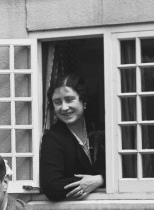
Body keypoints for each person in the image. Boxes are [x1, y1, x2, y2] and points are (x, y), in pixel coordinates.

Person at [40, 73, 106, 201]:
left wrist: (100, 179)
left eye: (69, 100)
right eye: (57, 102)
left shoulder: (100, 128)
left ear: (83, 101)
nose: (64, 107)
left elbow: (125, 171)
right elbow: (52, 186)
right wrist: (86, 183)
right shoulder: (53, 138)